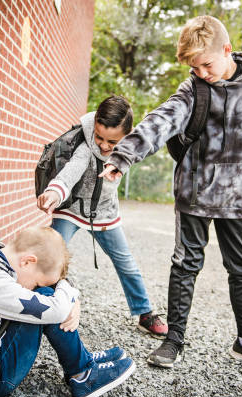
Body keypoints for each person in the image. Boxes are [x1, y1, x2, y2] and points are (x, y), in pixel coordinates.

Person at [99, 16, 242, 373]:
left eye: (207, 64)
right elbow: (160, 121)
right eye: (194, 66)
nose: (202, 72)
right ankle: (173, 339)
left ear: (227, 50)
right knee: (186, 265)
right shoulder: (194, 90)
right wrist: (123, 156)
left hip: (241, 195)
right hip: (196, 191)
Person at [0, 227, 136, 397]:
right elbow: (56, 310)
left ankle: (83, 360)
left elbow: (55, 299)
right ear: (28, 261)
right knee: (47, 298)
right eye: (36, 281)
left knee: (47, 296)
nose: (34, 285)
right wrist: (68, 292)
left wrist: (71, 298)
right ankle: (83, 374)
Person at [37, 95, 168, 339]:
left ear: (127, 136)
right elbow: (71, 171)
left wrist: (120, 163)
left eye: (113, 141)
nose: (104, 146)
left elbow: (144, 147)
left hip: (105, 212)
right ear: (94, 126)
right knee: (51, 255)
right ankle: (36, 304)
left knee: (126, 263)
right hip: (71, 209)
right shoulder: (86, 145)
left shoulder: (129, 148)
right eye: (100, 137)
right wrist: (55, 191)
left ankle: (144, 312)